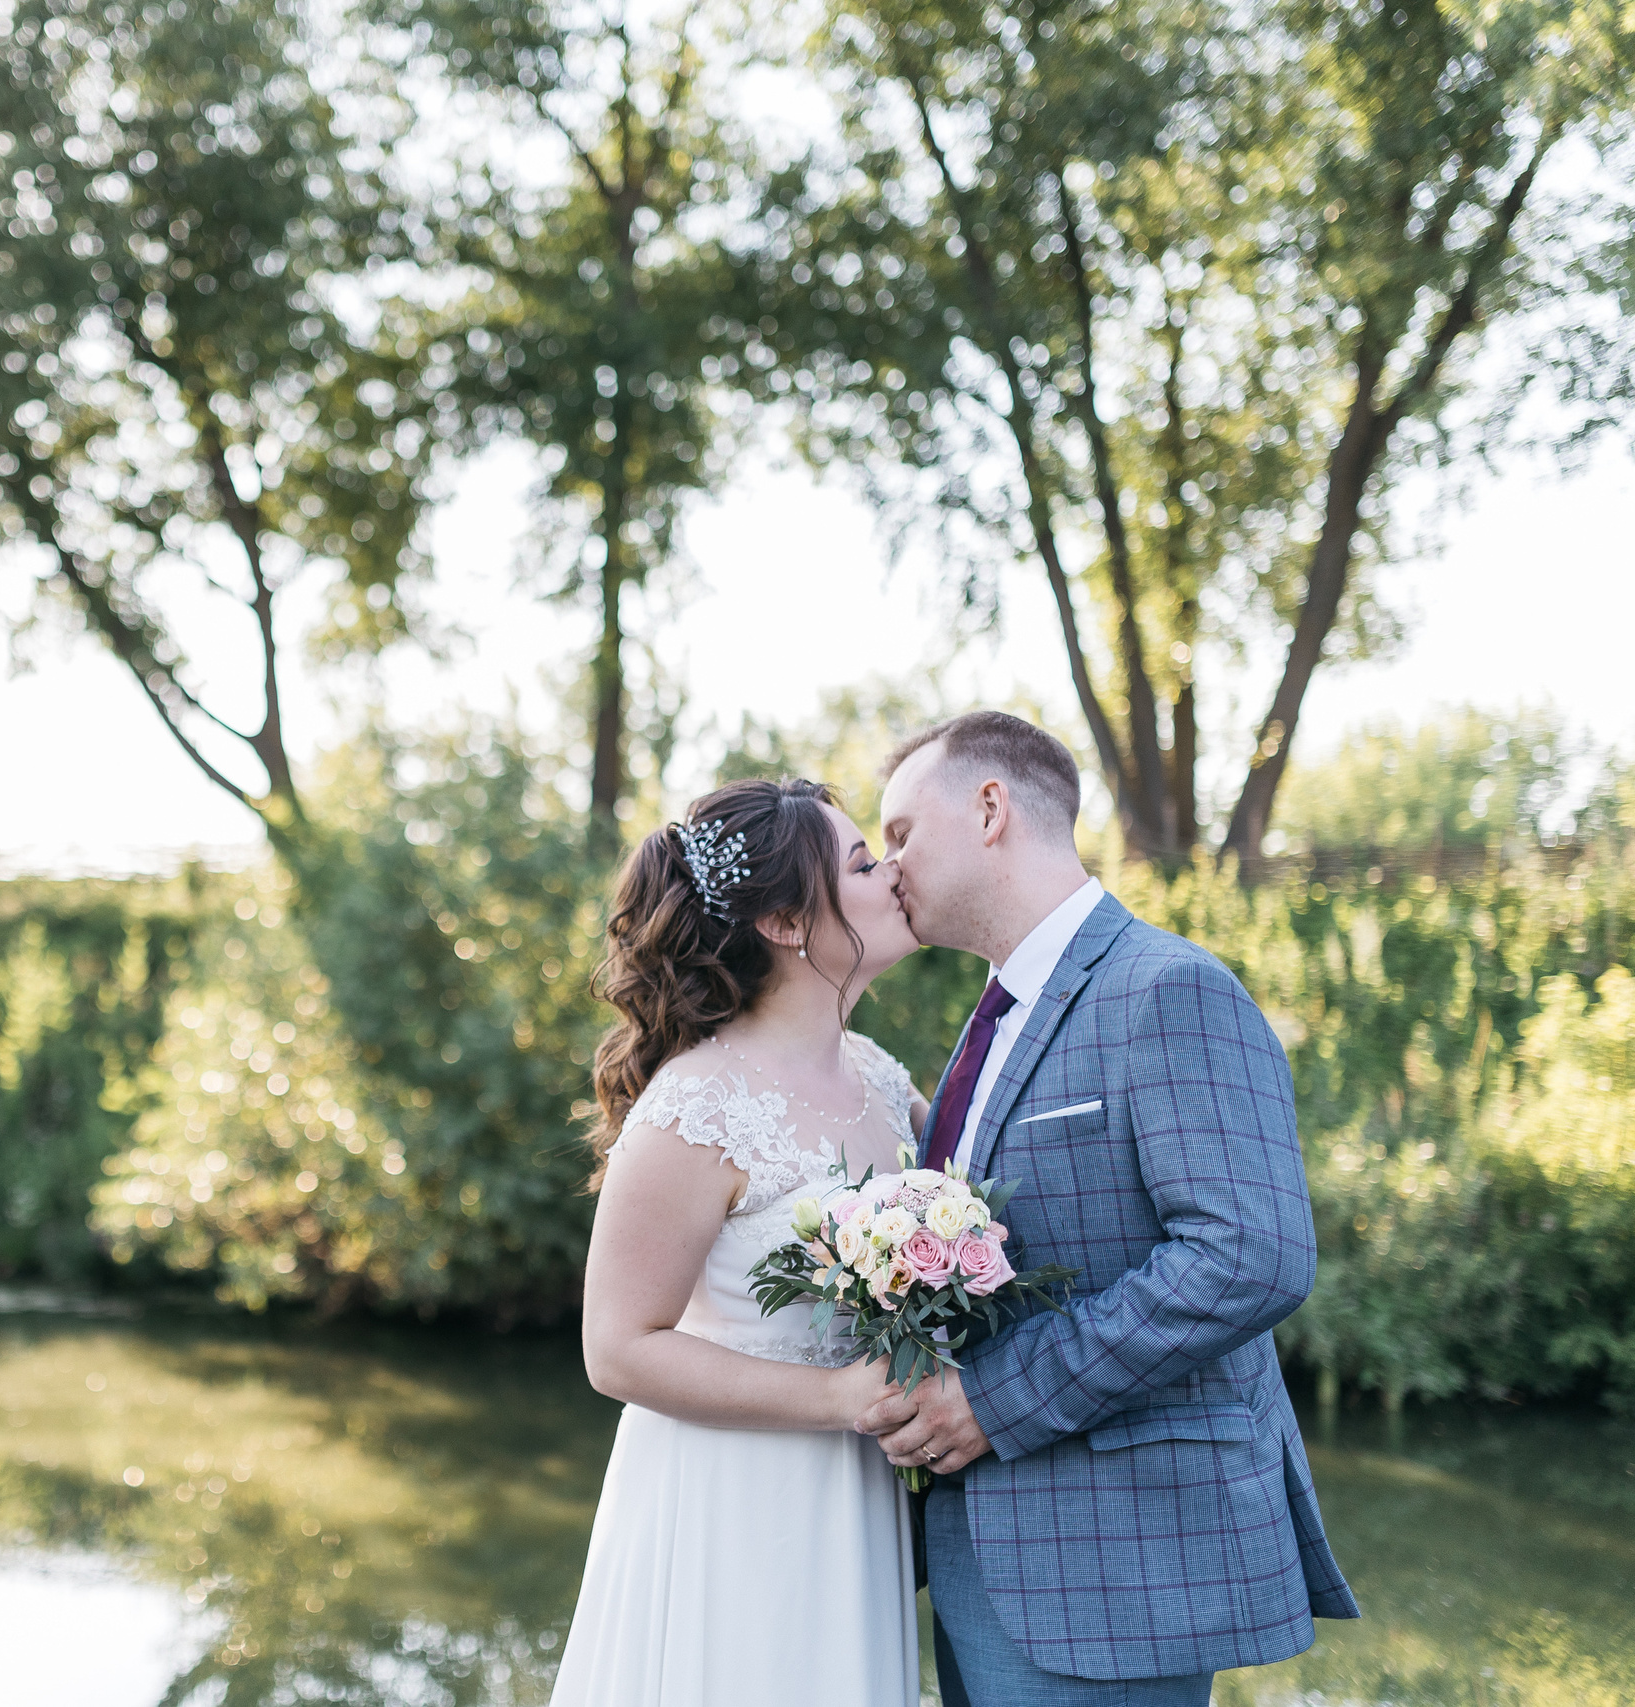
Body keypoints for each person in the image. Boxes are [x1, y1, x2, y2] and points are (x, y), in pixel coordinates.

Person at [858, 710, 1360, 1706]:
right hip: (979, 1552)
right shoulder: (994, 1020)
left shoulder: (1167, 989)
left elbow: (1249, 1254)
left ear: (990, 809)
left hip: (1112, 1576)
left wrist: (993, 1400)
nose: (888, 865)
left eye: (902, 833)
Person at [550, 777, 934, 1707]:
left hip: (855, 1495)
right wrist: (841, 1395)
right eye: (861, 863)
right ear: (786, 922)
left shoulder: (882, 1077)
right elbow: (616, 1347)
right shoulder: (695, 1106)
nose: (893, 872)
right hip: (733, 1498)